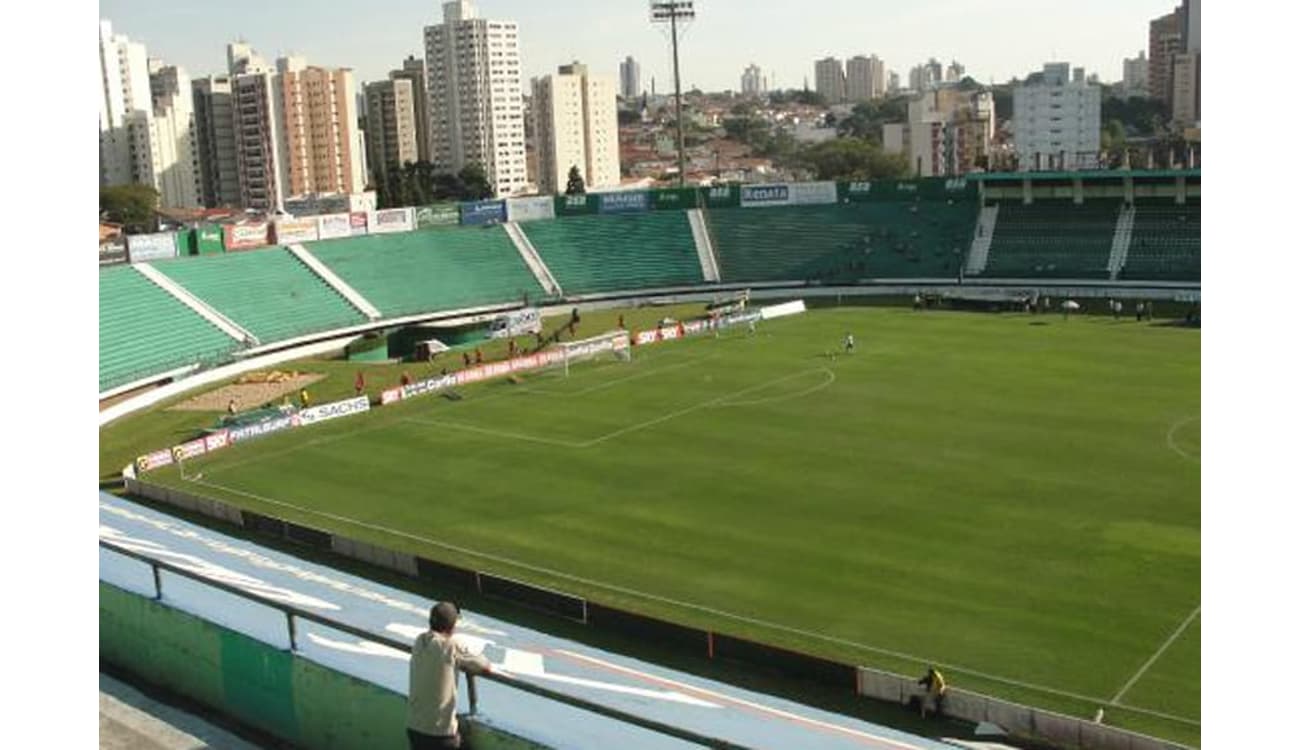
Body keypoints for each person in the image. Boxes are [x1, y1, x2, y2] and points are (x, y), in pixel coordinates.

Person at [407, 602, 492, 750]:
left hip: (415, 729)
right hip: (442, 736)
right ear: (453, 626)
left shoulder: (419, 640)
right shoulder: (452, 645)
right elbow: (485, 667)